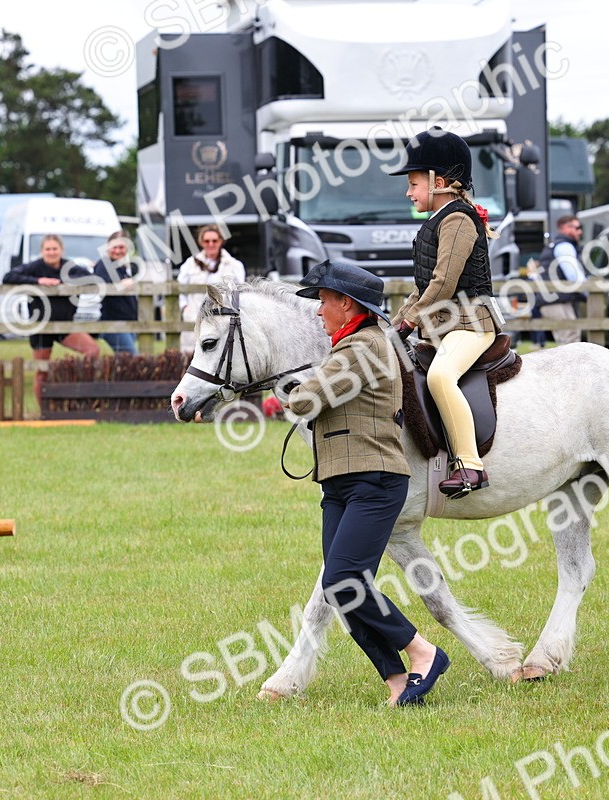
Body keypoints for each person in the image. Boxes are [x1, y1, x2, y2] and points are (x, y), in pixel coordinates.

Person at [285, 260, 450, 707]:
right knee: (343, 590)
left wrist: (284, 389)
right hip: (340, 482)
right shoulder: (346, 346)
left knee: (342, 580)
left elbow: (306, 399)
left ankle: (423, 651)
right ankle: (396, 680)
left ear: (345, 303)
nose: (319, 311)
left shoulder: (364, 346)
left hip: (374, 482)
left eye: (323, 301)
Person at [389, 127, 501, 498]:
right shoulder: (438, 221)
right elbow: (422, 288)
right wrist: (393, 325)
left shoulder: (458, 220)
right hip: (446, 326)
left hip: (472, 324)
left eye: (413, 182)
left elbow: (444, 283)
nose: (408, 192)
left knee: (440, 376)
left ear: (440, 182)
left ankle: (470, 465)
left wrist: (410, 321)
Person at [2, 234, 100, 401]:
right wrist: (38, 281)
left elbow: (89, 278)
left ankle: (74, 385)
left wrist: (64, 282)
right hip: (41, 327)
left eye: (55, 249)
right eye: (48, 249)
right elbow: (9, 277)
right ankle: (44, 412)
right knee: (42, 370)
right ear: (42, 251)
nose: (51, 252)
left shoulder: (70, 267)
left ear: (61, 250)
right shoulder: (34, 267)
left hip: (65, 325)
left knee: (92, 351)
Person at [178, 225, 246, 351]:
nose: (211, 244)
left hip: (222, 321)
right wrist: (184, 307)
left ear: (221, 241)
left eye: (214, 241)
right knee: (190, 356)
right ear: (201, 242)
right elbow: (180, 289)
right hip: (194, 318)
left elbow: (240, 292)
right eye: (207, 241)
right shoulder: (190, 264)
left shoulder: (234, 266)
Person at [535, 215, 586, 345]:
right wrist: (589, 291)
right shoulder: (565, 246)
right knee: (570, 339)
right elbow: (573, 275)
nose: (580, 232)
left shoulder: (555, 245)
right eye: (577, 228)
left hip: (554, 299)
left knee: (567, 340)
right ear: (566, 227)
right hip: (556, 300)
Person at [95, 231, 138, 355]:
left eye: (121, 247)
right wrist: (120, 285)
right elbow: (101, 283)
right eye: (115, 247)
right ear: (108, 247)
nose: (118, 251)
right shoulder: (104, 264)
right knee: (132, 358)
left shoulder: (123, 266)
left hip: (128, 322)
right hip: (113, 323)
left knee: (124, 364)